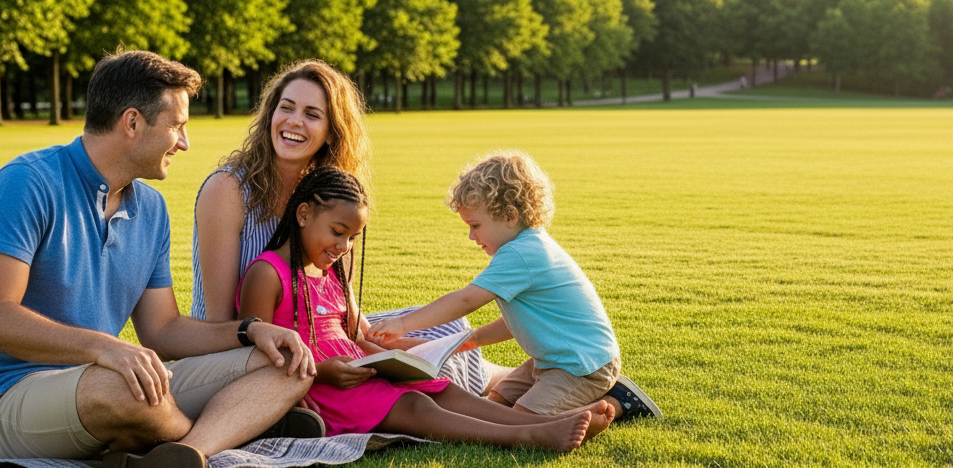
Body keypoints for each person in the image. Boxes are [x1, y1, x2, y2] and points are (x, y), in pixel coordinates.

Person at [0, 51, 319, 468]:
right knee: (120, 389)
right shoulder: (25, 184)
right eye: (177, 126)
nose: (184, 141)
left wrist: (251, 331)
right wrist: (105, 347)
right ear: (132, 123)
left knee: (289, 365)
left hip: (101, 381)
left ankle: (183, 451)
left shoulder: (151, 208)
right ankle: (229, 429)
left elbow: (163, 331)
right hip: (2, 397)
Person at [237, 166, 610, 451]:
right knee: (415, 405)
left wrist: (391, 359)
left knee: (438, 386)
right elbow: (258, 356)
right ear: (303, 215)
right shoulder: (267, 274)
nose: (345, 246)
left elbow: (354, 337)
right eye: (338, 232)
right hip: (318, 383)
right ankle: (528, 434)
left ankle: (544, 424)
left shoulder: (331, 273)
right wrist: (318, 375)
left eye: (353, 237)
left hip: (353, 371)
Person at [191, 60, 491, 395]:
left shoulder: (329, 200)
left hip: (316, 330)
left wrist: (408, 350)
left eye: (312, 114)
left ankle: (496, 383)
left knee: (447, 331)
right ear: (270, 115)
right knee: (419, 370)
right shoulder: (228, 190)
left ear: (333, 132)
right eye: (286, 107)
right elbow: (221, 325)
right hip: (247, 352)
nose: (294, 121)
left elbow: (346, 315)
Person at [370, 151, 663, 422]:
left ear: (509, 216)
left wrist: (403, 323)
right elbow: (519, 322)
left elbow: (466, 300)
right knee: (490, 404)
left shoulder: (522, 254)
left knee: (520, 421)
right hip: (553, 362)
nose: (471, 236)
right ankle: (590, 401)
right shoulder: (526, 247)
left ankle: (615, 402)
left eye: (475, 225)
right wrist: (469, 341)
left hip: (582, 368)